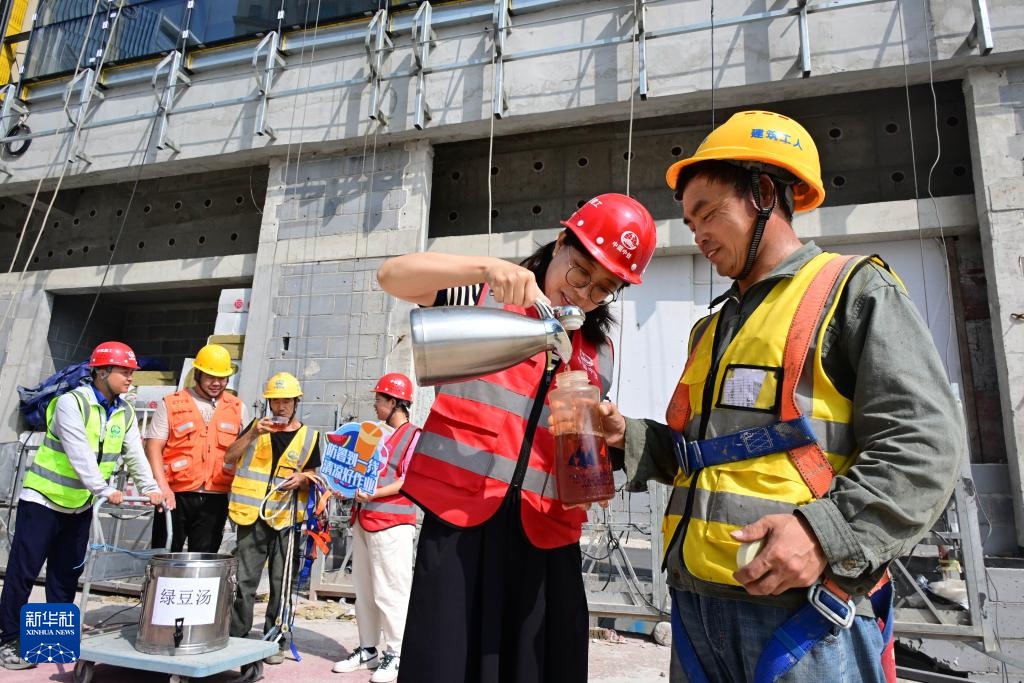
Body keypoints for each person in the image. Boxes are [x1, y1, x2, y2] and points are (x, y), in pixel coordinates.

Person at [600, 110, 964, 682]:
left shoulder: (852, 290)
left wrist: (827, 533)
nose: (697, 236)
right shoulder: (713, 326)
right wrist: (629, 437)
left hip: (804, 612)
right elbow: (707, 455)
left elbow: (924, 443)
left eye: (709, 214)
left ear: (764, 193)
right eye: (690, 222)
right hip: (696, 605)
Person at [376, 193, 658, 683]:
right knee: (443, 667)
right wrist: (486, 267)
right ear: (561, 242)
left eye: (604, 288)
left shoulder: (599, 350)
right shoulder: (482, 299)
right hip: (462, 522)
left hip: (547, 535)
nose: (585, 295)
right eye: (580, 273)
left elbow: (574, 442)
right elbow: (392, 276)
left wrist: (602, 456)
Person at [0, 342, 163, 670]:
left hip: (80, 505)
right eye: (125, 371)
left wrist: (151, 488)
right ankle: (9, 638)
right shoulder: (71, 404)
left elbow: (133, 453)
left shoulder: (125, 411)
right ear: (102, 372)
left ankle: (50, 640)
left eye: (132, 371)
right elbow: (78, 452)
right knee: (23, 573)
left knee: (65, 574)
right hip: (44, 501)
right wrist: (103, 488)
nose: (131, 377)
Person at [225, 371, 321, 667]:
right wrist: (253, 434)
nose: (280, 407)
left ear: (296, 402)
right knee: (244, 581)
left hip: (286, 520)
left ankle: (275, 640)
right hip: (251, 517)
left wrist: (302, 479)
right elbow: (229, 457)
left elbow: (315, 475)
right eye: (275, 401)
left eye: (286, 401)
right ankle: (237, 638)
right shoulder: (255, 428)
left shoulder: (309, 436)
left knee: (282, 583)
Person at [332, 373, 422, 682]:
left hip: (393, 524)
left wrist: (375, 493)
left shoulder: (414, 436)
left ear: (395, 402)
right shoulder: (375, 435)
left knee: (391, 592)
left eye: (379, 401)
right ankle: (367, 649)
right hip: (364, 519)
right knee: (365, 590)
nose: (375, 406)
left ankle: (396, 653)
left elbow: (408, 480)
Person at [146, 343, 246, 553]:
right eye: (211, 377)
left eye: (222, 378)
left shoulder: (237, 407)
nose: (217, 383)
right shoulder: (172, 403)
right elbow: (153, 447)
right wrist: (161, 486)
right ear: (198, 374)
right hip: (175, 494)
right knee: (164, 556)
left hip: (215, 496)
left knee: (204, 559)